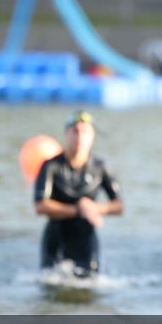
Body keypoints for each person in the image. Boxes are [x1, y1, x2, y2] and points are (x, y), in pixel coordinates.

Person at [33, 110, 124, 278]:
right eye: (75, 131)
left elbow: (119, 206)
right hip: (56, 236)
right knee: (51, 286)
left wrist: (94, 207)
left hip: (86, 238)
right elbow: (40, 205)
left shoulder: (100, 166)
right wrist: (78, 209)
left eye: (85, 132)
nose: (80, 137)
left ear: (93, 136)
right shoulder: (51, 166)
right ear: (66, 134)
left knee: (90, 287)